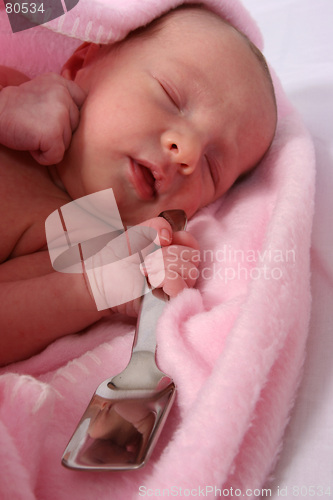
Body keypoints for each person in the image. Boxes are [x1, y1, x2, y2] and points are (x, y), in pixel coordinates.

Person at [0, 4, 277, 365]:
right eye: (171, 96)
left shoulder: (84, 239)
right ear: (82, 64)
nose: (187, 153)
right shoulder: (16, 91)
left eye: (211, 167)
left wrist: (100, 287)